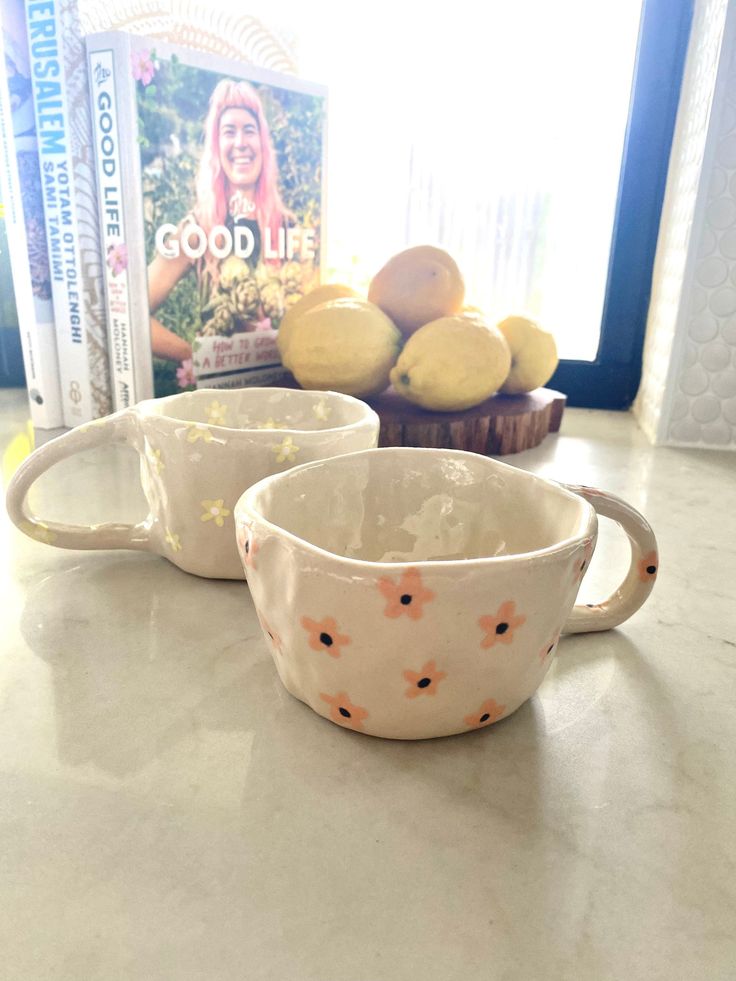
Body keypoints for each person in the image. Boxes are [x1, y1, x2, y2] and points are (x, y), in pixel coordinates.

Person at [147, 78, 292, 362]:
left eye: (249, 131)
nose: (240, 143)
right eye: (229, 132)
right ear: (217, 146)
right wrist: (196, 359)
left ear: (262, 143)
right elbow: (131, 312)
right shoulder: (198, 229)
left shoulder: (288, 226)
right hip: (221, 398)